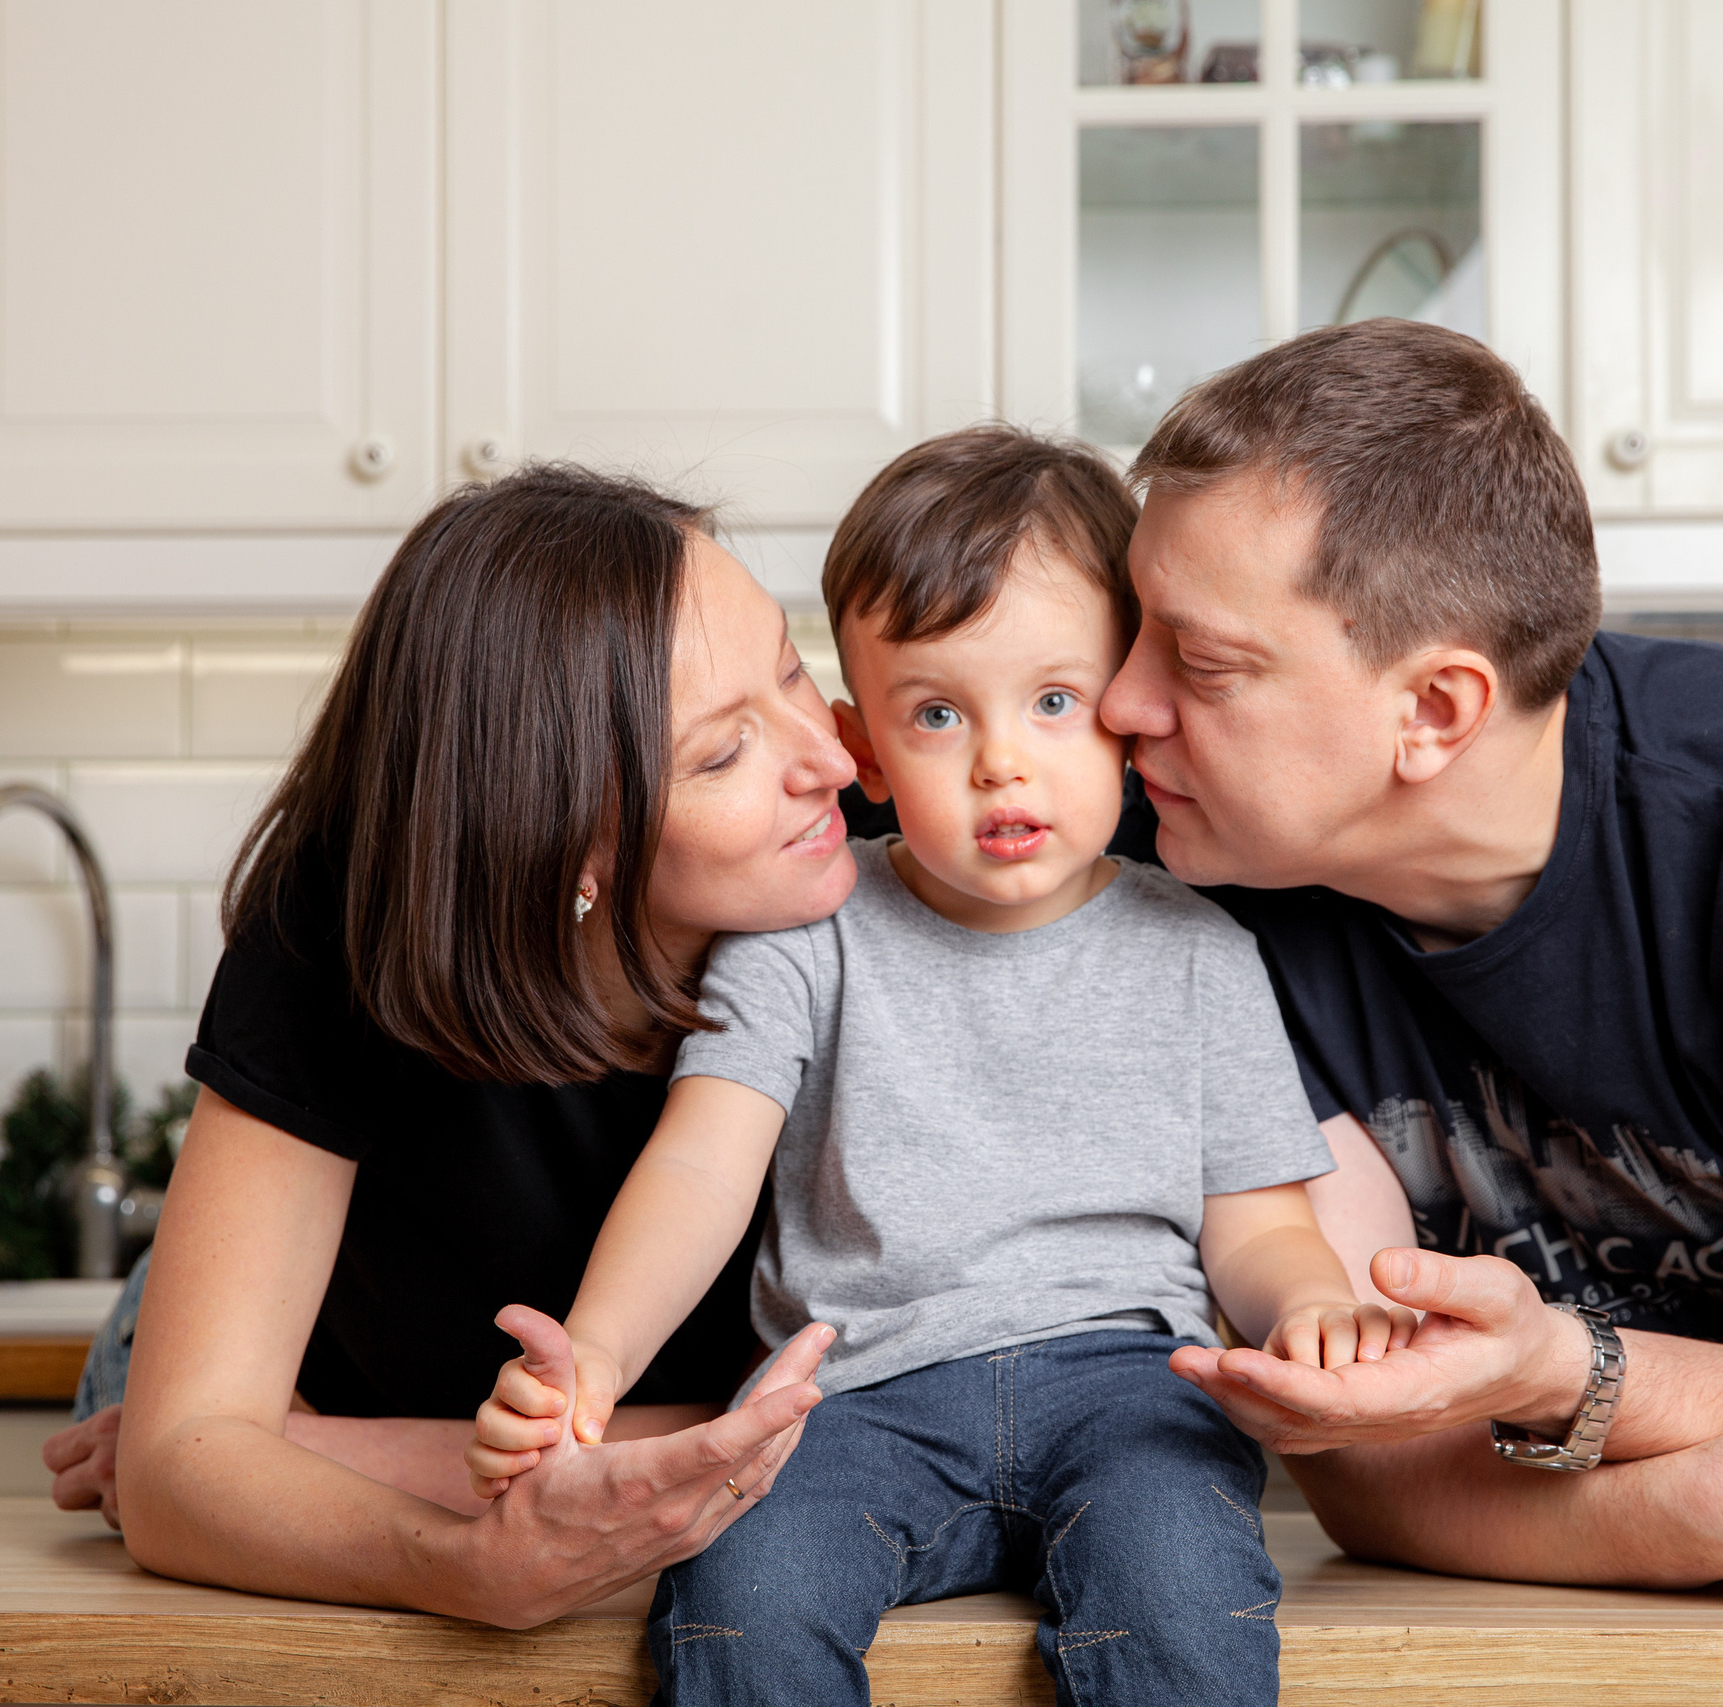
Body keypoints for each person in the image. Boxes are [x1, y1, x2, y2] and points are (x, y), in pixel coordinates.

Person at [1098, 320, 1723, 1586]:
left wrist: (1556, 1371)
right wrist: (1696, 1516)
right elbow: (1369, 1446)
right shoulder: (1178, 877)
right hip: (1511, 1524)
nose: (1120, 706)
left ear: (1434, 710)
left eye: (1197, 660)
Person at [465, 427, 1396, 1697]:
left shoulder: (1201, 951)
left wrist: (1311, 1311)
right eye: (939, 712)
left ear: (1125, 712)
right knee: (739, 1597)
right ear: (862, 745)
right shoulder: (803, 935)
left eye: (1054, 702)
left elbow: (1257, 1224)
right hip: (855, 1400)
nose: (1001, 758)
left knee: (1183, 1591)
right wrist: (598, 1360)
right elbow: (700, 1169)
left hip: (1128, 1390)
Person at [51, 465, 860, 1624]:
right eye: (722, 755)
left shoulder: (887, 855)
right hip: (272, 1351)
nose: (829, 756)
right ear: (562, 839)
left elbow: (916, 1406)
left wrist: (319, 1457)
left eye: (791, 665)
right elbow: (183, 1470)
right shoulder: (336, 924)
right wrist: (453, 1557)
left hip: (335, 1424)